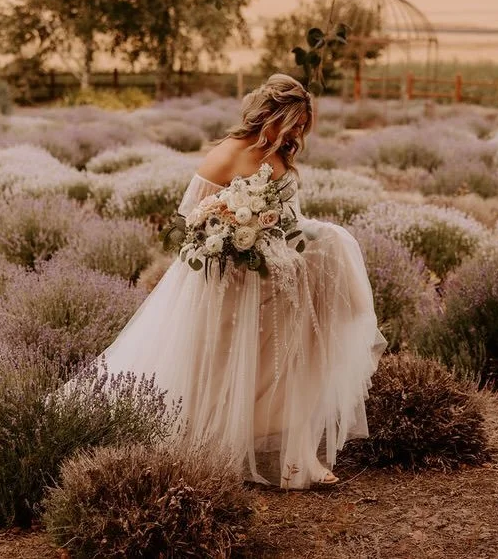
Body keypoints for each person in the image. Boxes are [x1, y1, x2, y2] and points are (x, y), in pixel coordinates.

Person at [85, 73, 386, 489]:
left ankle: (298, 459)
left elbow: (291, 220)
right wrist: (233, 233)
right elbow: (192, 221)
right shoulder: (228, 154)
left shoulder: (280, 153)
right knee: (228, 370)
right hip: (239, 287)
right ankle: (211, 451)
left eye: (303, 126)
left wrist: (307, 237)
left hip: (288, 278)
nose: (298, 133)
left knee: (305, 363)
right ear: (271, 115)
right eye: (293, 123)